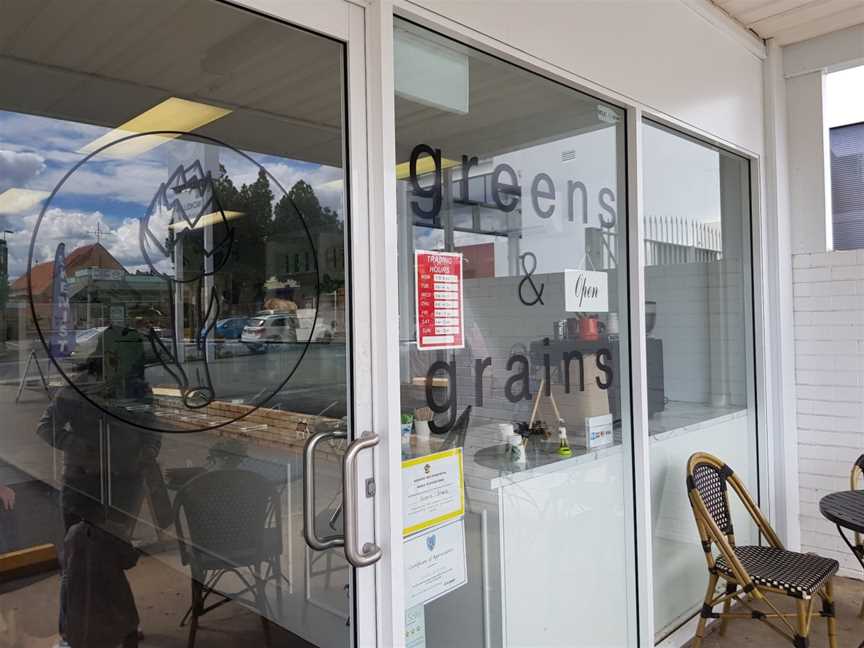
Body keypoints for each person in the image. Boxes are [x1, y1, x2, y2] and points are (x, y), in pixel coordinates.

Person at [37, 331, 161, 648]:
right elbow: (46, 427)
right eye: (118, 353)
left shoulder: (137, 388)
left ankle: (122, 626)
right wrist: (80, 448)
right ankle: (71, 633)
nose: (125, 360)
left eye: (132, 354)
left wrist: (147, 452)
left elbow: (152, 428)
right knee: (76, 559)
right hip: (83, 485)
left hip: (124, 484)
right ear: (104, 353)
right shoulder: (78, 386)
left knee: (112, 557)